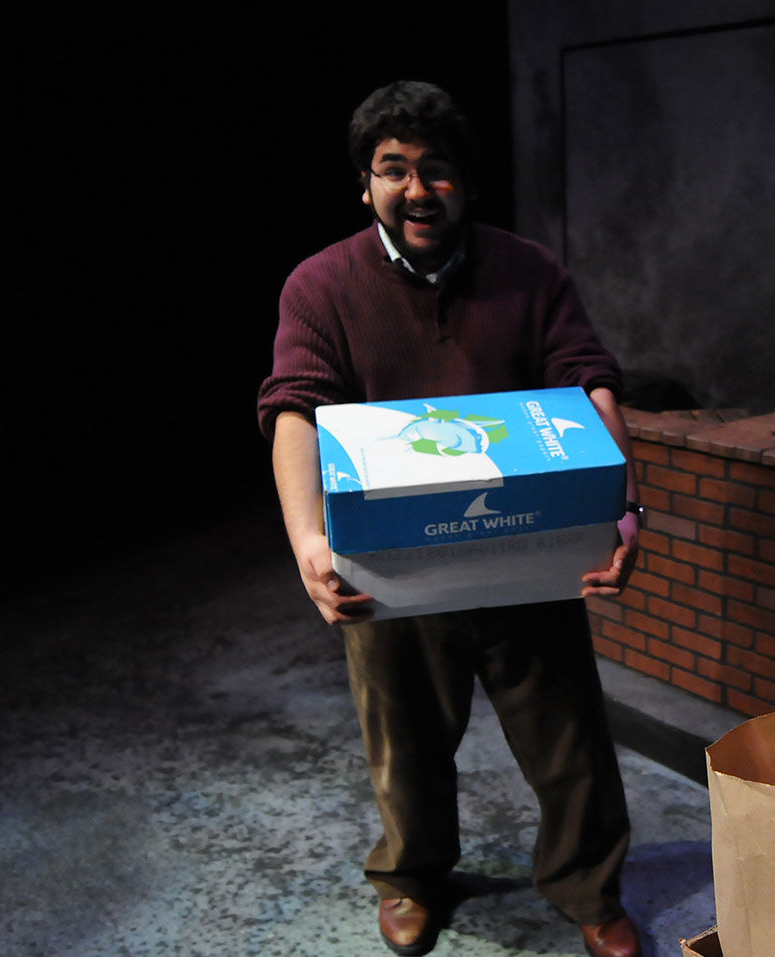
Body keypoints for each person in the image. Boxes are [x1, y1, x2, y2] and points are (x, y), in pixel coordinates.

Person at [256, 81, 645, 957]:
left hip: (527, 553)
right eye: (394, 170)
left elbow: (588, 380)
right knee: (403, 744)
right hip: (390, 565)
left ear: (464, 181)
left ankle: (588, 883)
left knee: (571, 739)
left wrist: (620, 511)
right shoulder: (321, 285)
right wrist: (309, 541)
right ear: (367, 185)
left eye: (435, 170)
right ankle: (412, 877)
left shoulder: (530, 272)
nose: (417, 189)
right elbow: (294, 407)